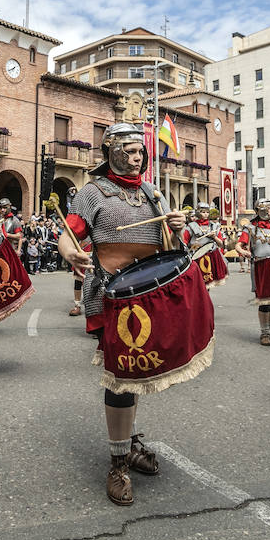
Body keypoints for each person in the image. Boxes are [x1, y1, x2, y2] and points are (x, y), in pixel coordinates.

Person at [58, 123, 189, 506]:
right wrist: (70, 252)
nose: (138, 159)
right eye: (130, 152)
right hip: (111, 294)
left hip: (149, 295)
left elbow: (170, 246)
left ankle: (128, 441)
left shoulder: (153, 193)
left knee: (136, 371)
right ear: (112, 153)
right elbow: (69, 231)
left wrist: (176, 228)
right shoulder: (92, 193)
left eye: (140, 153)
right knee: (118, 377)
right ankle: (118, 463)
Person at [235, 199, 270, 346]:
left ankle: (268, 331)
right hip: (260, 266)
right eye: (267, 209)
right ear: (259, 210)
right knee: (264, 301)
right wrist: (245, 252)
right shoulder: (250, 228)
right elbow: (238, 246)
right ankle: (264, 333)